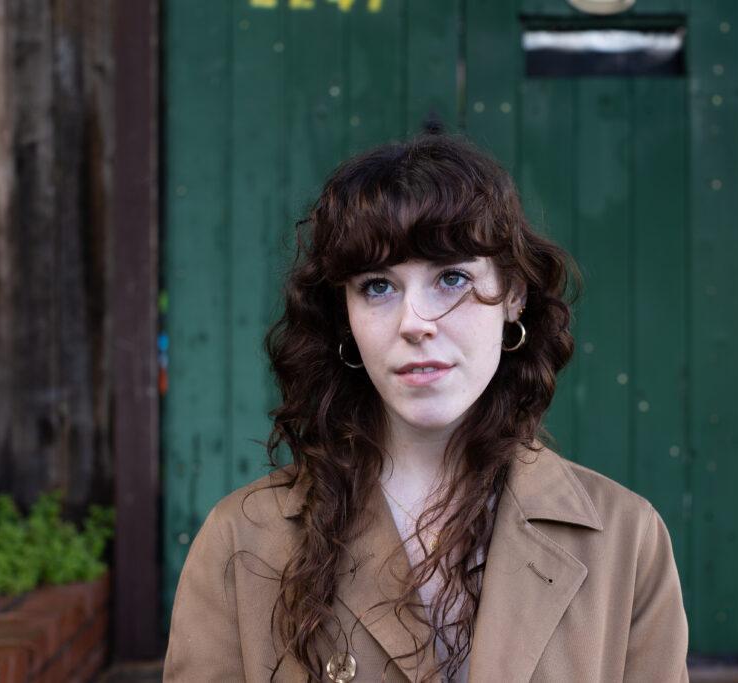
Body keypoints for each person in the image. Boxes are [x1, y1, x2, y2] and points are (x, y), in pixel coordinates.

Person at [163, 132, 689, 682]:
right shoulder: (240, 541)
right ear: (345, 315)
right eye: (377, 286)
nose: (415, 322)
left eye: (452, 278)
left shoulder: (627, 540)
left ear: (513, 296)